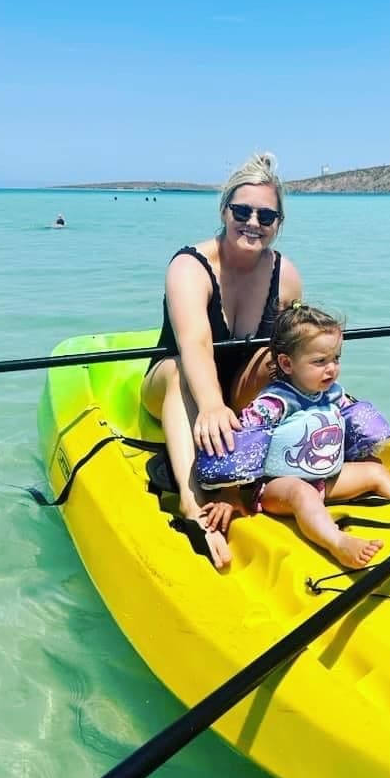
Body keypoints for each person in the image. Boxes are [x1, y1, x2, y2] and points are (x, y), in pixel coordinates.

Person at [200, 303, 390, 569]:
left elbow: (354, 427)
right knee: (300, 491)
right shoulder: (273, 404)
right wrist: (228, 493)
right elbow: (239, 444)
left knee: (374, 471)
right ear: (286, 363)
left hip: (326, 480)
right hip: (278, 488)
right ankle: (337, 542)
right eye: (319, 362)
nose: (331, 369)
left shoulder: (333, 394)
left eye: (335, 359)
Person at [140, 152, 302, 569]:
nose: (253, 223)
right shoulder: (189, 266)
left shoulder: (286, 275)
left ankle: (269, 474)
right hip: (175, 381)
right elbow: (193, 342)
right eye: (242, 211)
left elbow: (294, 354)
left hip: (239, 392)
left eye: (266, 216)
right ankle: (194, 507)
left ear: (278, 223)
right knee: (179, 372)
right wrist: (211, 406)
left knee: (279, 357)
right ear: (224, 210)